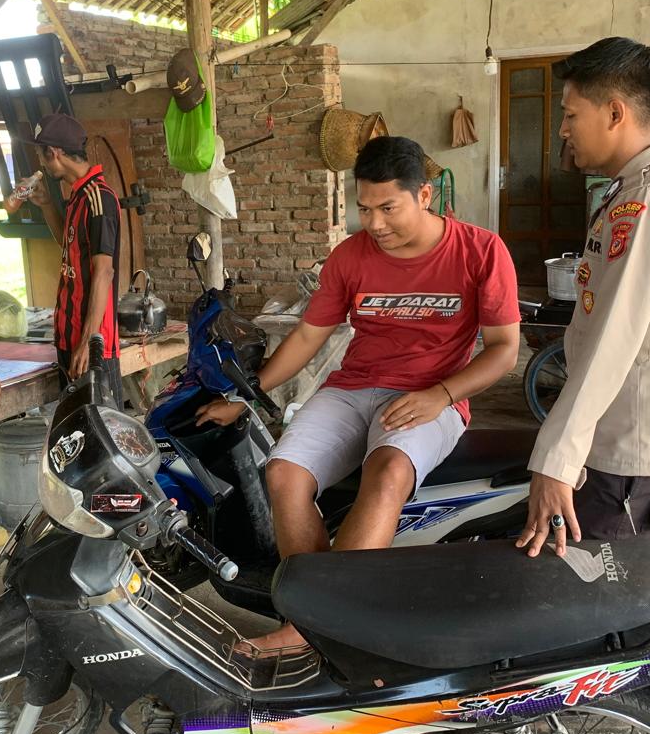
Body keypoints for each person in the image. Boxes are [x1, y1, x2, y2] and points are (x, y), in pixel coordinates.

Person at [200, 136, 521, 649]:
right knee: (283, 473)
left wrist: (440, 394)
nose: (374, 224)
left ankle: (313, 627)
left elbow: (504, 350)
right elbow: (309, 335)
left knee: (388, 472)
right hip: (352, 388)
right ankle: (314, 622)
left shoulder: (480, 250)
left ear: (424, 195)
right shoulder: (350, 255)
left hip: (431, 395)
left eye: (388, 208)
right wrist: (248, 394)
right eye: (365, 208)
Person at [518, 37, 650, 558]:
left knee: (605, 599)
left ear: (614, 112)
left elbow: (615, 341)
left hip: (638, 456)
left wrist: (556, 460)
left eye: (570, 115)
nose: (563, 130)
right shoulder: (633, 189)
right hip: (623, 442)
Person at [23, 113, 124, 405]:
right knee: (75, 425)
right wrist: (46, 204)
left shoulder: (99, 199)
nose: (41, 164)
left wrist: (88, 342)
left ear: (54, 153)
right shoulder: (78, 196)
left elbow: (104, 272)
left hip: (93, 345)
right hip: (69, 337)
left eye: (41, 155)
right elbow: (67, 245)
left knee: (105, 427)